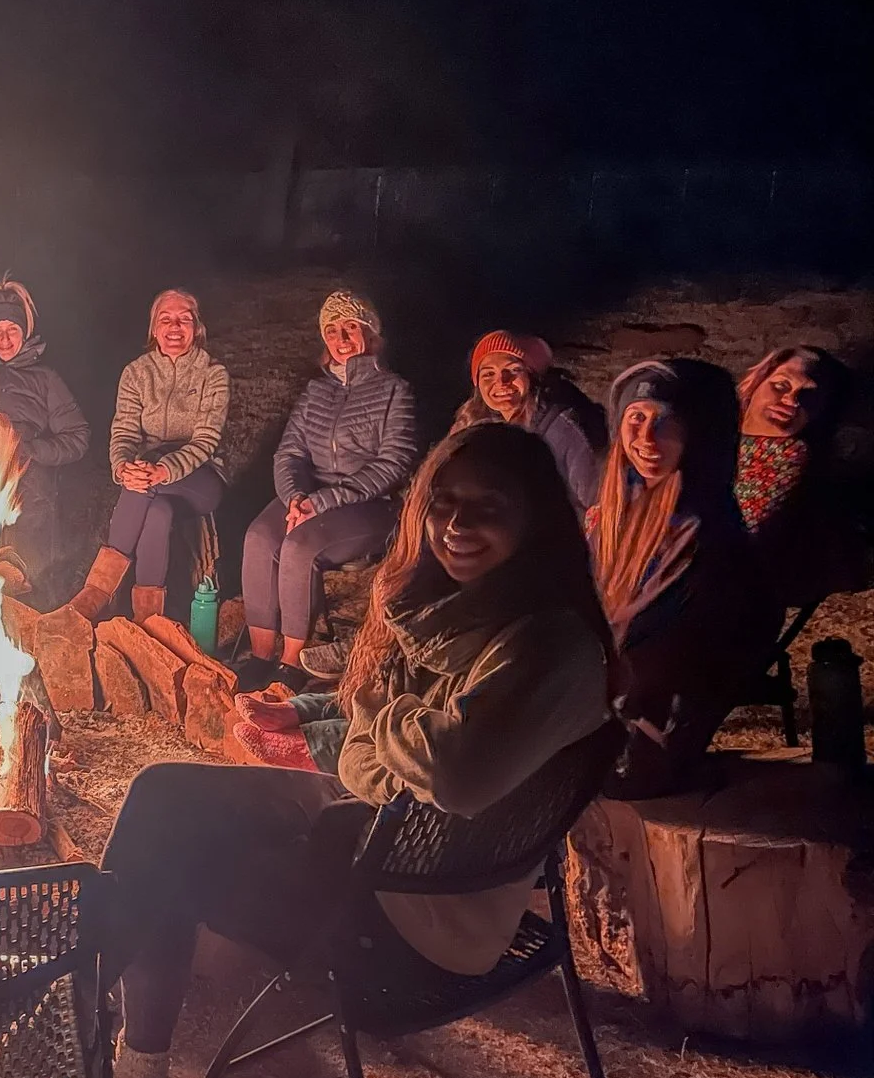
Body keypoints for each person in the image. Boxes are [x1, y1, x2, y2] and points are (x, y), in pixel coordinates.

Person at [102, 422, 613, 1078]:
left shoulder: (549, 647)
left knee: (165, 856)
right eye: (442, 502)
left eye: (488, 506)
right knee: (162, 790)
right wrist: (321, 716)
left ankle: (121, 1063)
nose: (457, 524)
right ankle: (106, 1026)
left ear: (536, 517)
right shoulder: (457, 613)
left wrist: (368, 713)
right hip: (380, 846)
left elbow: (447, 772)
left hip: (411, 926)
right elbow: (389, 742)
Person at [589, 359, 777, 798]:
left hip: (641, 731)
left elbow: (692, 662)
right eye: (636, 419)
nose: (647, 439)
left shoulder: (706, 539)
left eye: (667, 421)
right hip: (598, 708)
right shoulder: (619, 517)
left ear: (700, 435)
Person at [238, 291, 417, 688]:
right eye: (332, 330)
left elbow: (394, 463)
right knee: (258, 537)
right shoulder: (316, 392)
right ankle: (260, 654)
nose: (341, 337)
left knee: (300, 547)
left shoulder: (393, 390)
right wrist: (296, 498)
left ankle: (290, 664)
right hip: (309, 497)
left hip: (369, 504)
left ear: (369, 332)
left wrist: (322, 502)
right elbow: (288, 454)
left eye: (351, 327)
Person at [62, 289, 228, 625]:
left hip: (200, 478)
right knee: (157, 513)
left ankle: (94, 595)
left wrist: (161, 470)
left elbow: (206, 440)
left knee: (143, 490)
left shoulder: (213, 375)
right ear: (154, 329)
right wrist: (123, 467)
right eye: (165, 319)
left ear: (197, 328)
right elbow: (123, 433)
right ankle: (147, 619)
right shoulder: (137, 373)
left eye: (184, 319)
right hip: (146, 475)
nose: (174, 326)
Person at [0, 279, 89, 596]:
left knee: (32, 489)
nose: (5, 339)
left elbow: (77, 436)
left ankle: (22, 574)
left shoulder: (45, 379)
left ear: (25, 333)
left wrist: (33, 451)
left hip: (28, 466)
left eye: (13, 330)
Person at [734, 345, 856, 608]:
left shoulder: (789, 454)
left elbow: (744, 532)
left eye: (808, 396)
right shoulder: (718, 430)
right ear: (755, 383)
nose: (791, 400)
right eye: (780, 386)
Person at [452, 330, 599, 509]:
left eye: (514, 370)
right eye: (488, 374)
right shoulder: (473, 429)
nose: (502, 382)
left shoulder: (562, 431)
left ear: (531, 376)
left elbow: (597, 506)